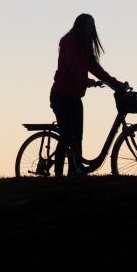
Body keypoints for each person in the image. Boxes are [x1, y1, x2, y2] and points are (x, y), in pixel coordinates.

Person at [50, 14, 128, 175]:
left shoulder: (86, 44)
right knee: (66, 133)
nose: (90, 29)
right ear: (79, 26)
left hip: (75, 96)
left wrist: (115, 83)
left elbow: (94, 67)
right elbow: (73, 66)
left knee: (78, 135)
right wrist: (86, 80)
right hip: (61, 95)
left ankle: (75, 170)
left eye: (92, 26)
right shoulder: (68, 41)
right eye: (88, 25)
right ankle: (58, 174)